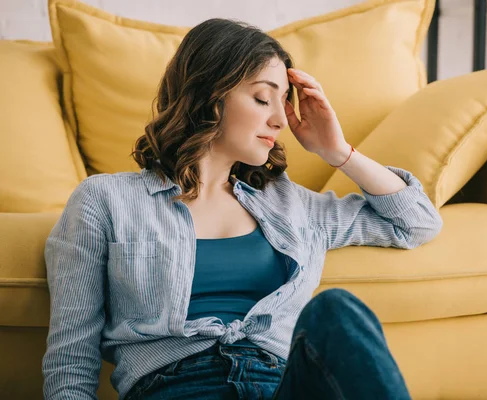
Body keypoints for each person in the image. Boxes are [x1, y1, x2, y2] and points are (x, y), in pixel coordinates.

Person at [42, 17, 443, 400]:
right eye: (263, 98)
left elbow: (416, 223)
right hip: (177, 386)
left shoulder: (292, 206)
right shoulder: (106, 200)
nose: (278, 120)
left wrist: (336, 151)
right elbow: (70, 361)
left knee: (337, 311)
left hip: (280, 383)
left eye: (284, 102)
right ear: (209, 93)